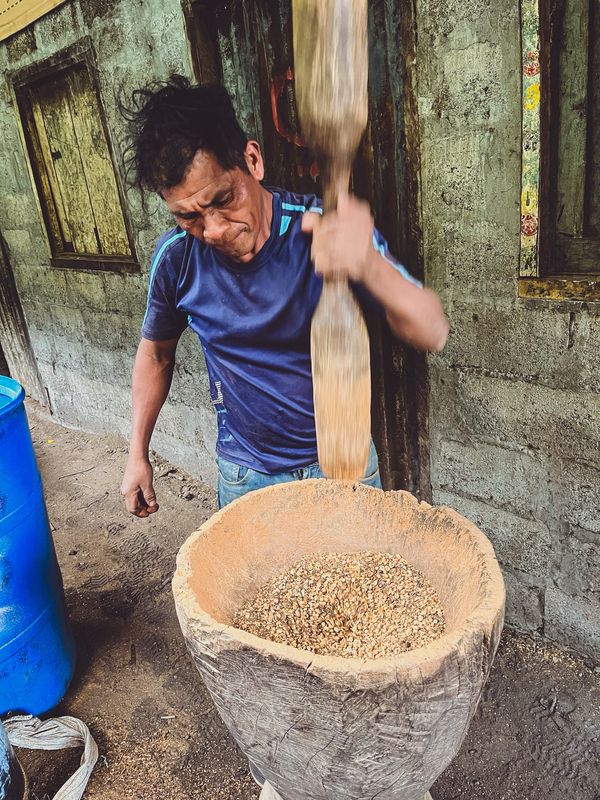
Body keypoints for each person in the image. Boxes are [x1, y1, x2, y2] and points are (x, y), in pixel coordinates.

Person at [120, 76, 448, 517]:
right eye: (188, 216)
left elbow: (431, 329)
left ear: (252, 160)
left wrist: (369, 266)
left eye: (223, 200)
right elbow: (156, 355)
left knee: (353, 585)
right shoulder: (177, 259)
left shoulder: (322, 231)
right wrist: (137, 452)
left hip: (344, 464)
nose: (213, 230)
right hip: (245, 475)